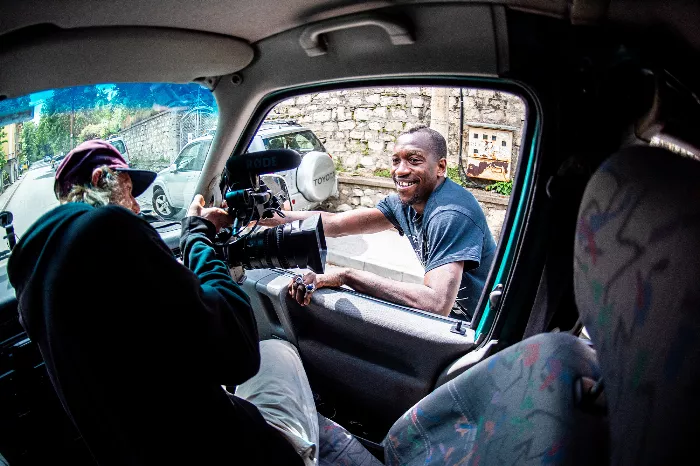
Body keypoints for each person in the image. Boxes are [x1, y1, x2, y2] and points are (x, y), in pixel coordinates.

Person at [8, 140, 318, 465]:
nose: (138, 208)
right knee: (278, 352)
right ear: (101, 180)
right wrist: (197, 237)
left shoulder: (38, 278)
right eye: (129, 192)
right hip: (240, 454)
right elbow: (238, 352)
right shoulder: (109, 228)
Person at [269, 126, 496, 320]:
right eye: (396, 160)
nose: (401, 170)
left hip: (485, 322)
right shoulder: (405, 204)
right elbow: (335, 223)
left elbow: (436, 304)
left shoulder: (450, 213)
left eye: (414, 160)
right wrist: (262, 216)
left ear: (441, 167)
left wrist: (346, 275)